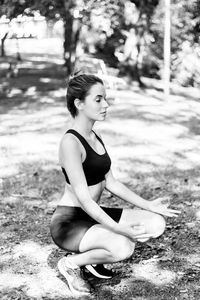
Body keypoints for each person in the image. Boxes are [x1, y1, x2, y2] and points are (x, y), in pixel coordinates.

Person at [50, 74, 180, 296]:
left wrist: (149, 205)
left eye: (105, 99)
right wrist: (118, 228)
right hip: (70, 222)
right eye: (98, 99)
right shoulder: (70, 142)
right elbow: (83, 198)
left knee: (155, 223)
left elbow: (111, 182)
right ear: (79, 104)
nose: (106, 105)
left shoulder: (94, 136)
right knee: (123, 246)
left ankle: (94, 257)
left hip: (92, 214)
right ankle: (71, 264)